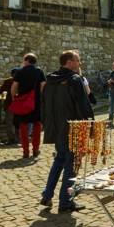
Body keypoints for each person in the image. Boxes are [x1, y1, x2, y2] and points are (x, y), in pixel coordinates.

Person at [40, 50, 93, 214]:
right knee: (71, 165)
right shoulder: (74, 79)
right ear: (69, 62)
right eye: (77, 61)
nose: (79, 64)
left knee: (59, 160)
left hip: (57, 128)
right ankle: (66, 201)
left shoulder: (50, 80)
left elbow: (43, 105)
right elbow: (83, 105)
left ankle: (47, 195)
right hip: (73, 128)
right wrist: (89, 124)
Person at [11, 53, 46, 159]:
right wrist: (38, 94)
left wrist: (14, 96)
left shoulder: (20, 71)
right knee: (36, 126)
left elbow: (14, 86)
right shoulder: (39, 71)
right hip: (36, 101)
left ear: (26, 61)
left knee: (23, 126)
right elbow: (43, 84)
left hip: (23, 101)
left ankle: (25, 151)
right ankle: (35, 150)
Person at [0, 68, 19, 145]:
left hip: (10, 103)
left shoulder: (9, 81)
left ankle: (12, 138)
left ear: (12, 74)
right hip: (20, 104)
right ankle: (18, 137)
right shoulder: (23, 81)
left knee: (9, 121)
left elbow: (1, 90)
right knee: (17, 121)